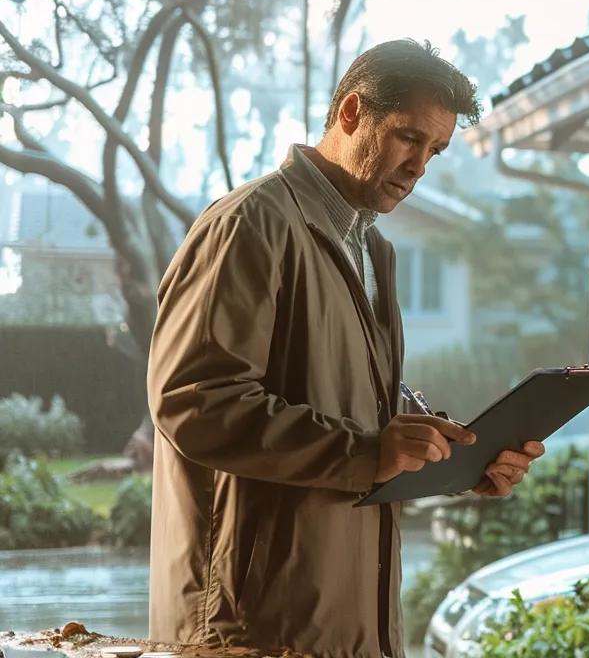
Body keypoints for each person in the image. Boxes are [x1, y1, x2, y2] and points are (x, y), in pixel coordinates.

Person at [147, 40, 543, 658]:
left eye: (434, 150)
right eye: (408, 138)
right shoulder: (250, 224)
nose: (419, 167)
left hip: (353, 623)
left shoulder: (373, 251)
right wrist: (367, 451)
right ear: (352, 112)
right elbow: (194, 402)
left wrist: (456, 461)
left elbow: (362, 427)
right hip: (253, 625)